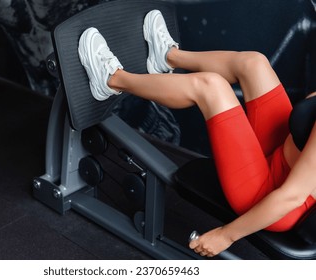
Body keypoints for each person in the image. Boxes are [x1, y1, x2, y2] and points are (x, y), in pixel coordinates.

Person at [78, 9, 316, 257]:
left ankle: (111, 80)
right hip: (283, 155)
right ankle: (169, 57)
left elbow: (291, 197)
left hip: (270, 195)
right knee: (253, 64)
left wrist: (226, 235)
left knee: (211, 87)